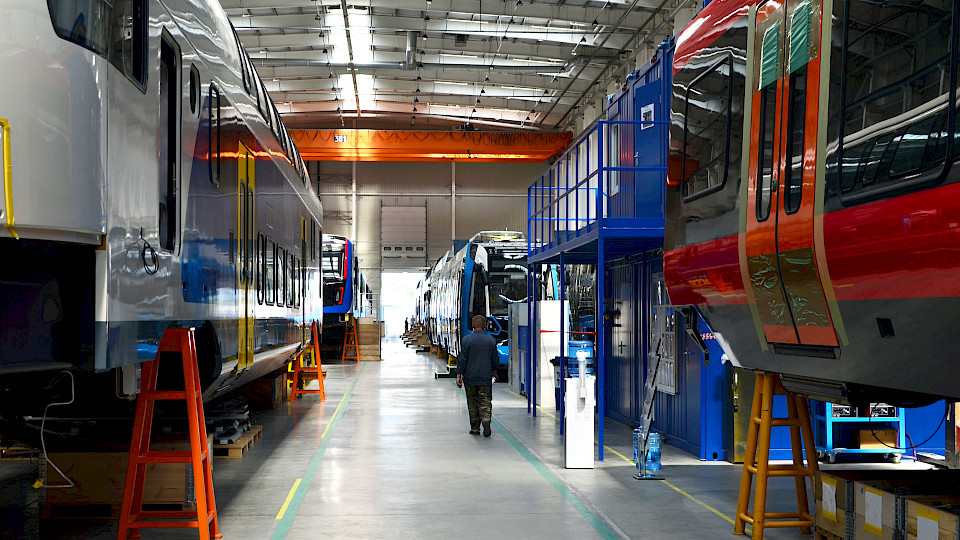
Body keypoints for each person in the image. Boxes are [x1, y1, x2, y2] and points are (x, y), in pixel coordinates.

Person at [456, 315, 499, 437]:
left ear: (473, 325)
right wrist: (495, 372)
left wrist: (459, 375)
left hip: (470, 377)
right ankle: (486, 419)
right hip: (485, 377)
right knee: (485, 399)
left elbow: (462, 359)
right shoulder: (490, 340)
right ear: (485, 325)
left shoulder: (466, 340)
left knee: (472, 402)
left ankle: (475, 428)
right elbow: (494, 358)